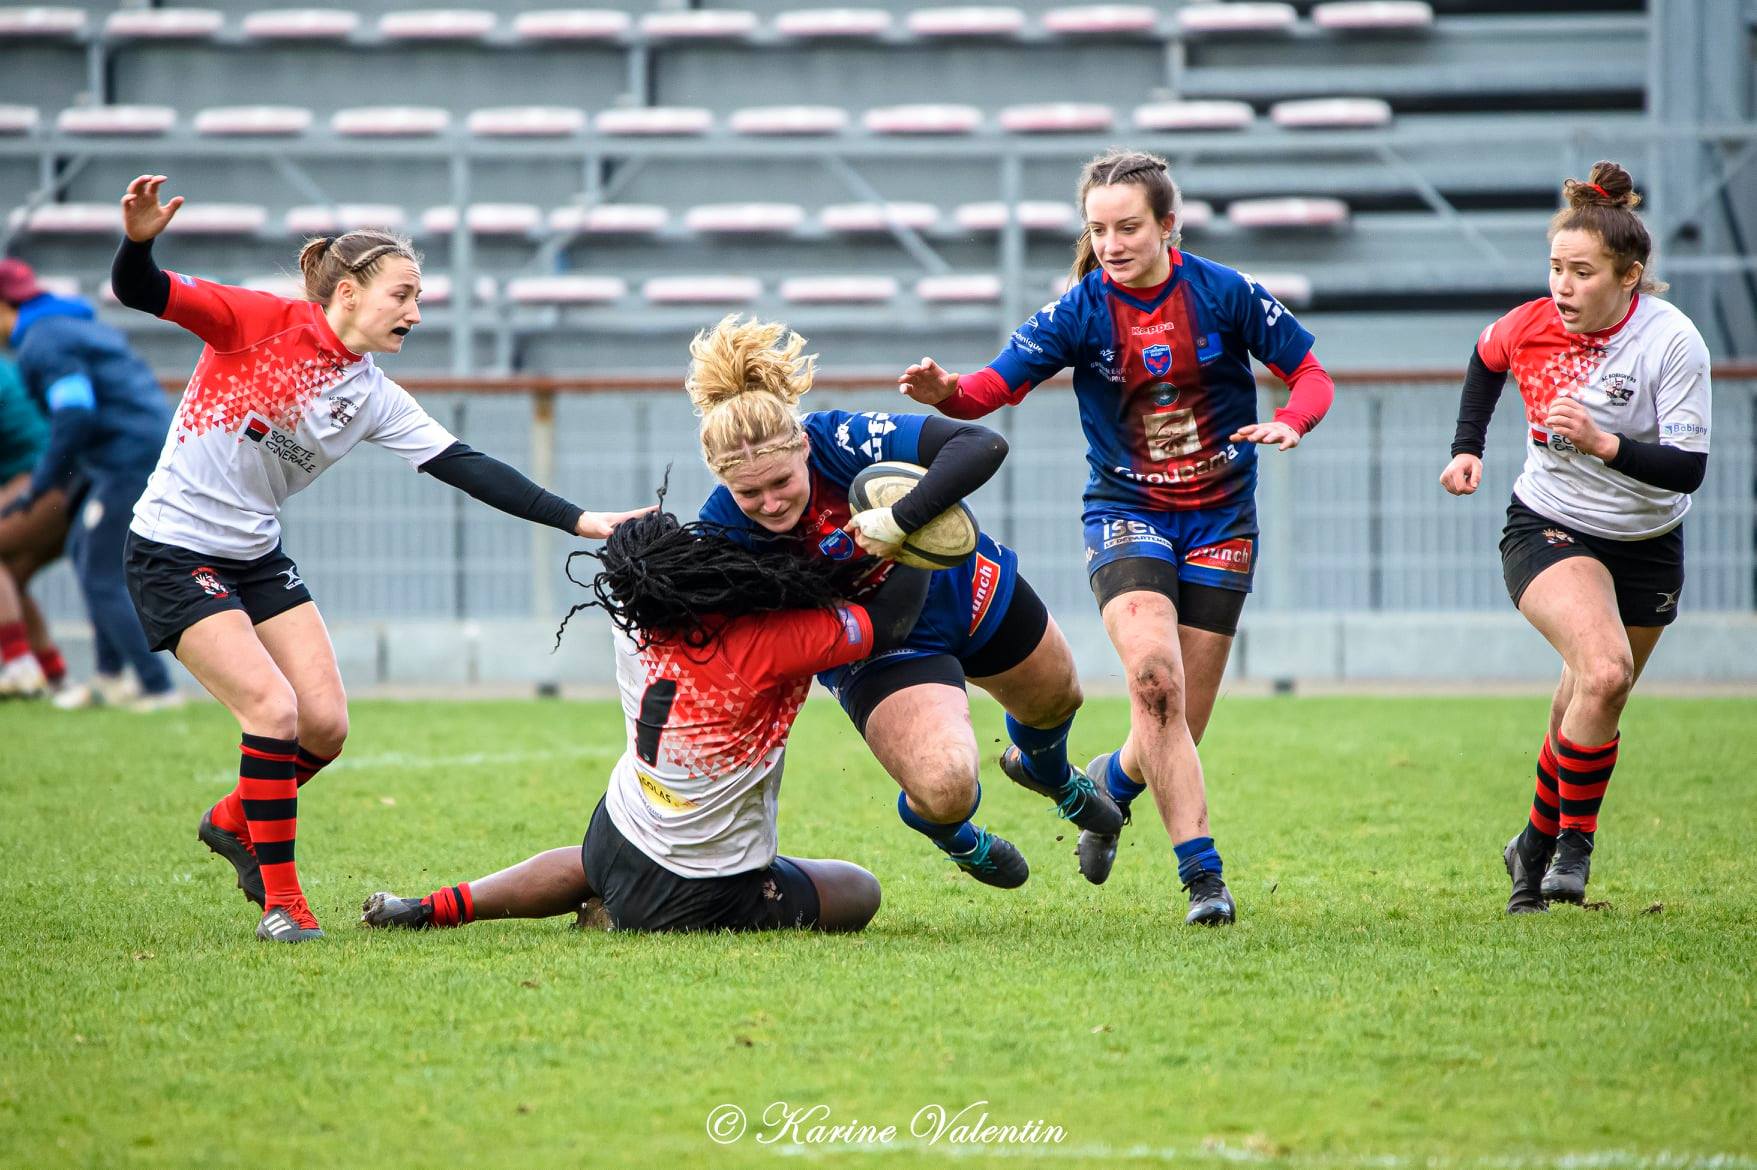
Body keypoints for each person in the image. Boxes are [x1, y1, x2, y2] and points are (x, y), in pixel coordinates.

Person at [109, 175, 651, 943]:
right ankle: (284, 907)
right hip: (171, 549)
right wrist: (138, 239)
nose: (416, 312)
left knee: (324, 728)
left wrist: (581, 520)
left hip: (255, 557)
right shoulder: (255, 321)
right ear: (352, 291)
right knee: (273, 712)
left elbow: (465, 463)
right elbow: (141, 289)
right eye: (403, 293)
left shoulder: (370, 392)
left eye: (419, 297)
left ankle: (236, 819)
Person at [897, 149, 1337, 925]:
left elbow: (1310, 372)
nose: (1111, 242)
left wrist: (1292, 420)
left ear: (1167, 225)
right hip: (1125, 513)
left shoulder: (1222, 292)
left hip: (1221, 519)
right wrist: (946, 395)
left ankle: (1109, 780)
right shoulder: (1079, 309)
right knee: (1155, 687)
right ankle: (1204, 880)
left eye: (1128, 226)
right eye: (1097, 229)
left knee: (1175, 726)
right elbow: (990, 389)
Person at [688, 316, 1122, 891]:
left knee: (1057, 699)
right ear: (723, 482)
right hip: (879, 645)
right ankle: (952, 834)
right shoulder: (722, 533)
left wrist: (900, 520)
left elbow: (980, 443)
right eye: (749, 492)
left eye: (781, 482)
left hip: (961, 587)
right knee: (947, 787)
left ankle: (1054, 777)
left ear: (801, 446)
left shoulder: (838, 440)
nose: (770, 503)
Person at [363, 507, 929, 934]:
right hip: (701, 889)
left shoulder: (630, 624)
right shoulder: (759, 645)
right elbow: (891, 623)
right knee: (861, 891)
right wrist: (916, 520)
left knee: (595, 865)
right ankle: (625, 913)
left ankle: (430, 908)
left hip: (619, 828)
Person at [1439, 161, 1711, 915]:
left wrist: (1602, 443)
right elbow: (1484, 359)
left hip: (1648, 539)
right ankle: (1571, 847)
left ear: (1628, 277)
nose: (1561, 286)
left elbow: (1687, 469)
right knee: (1602, 673)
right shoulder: (1531, 323)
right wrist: (1468, 448)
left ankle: (1529, 841)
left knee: (1590, 697)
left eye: (1580, 272)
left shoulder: (1673, 343)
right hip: (1548, 524)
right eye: (1555, 268)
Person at [0, 257, 178, 709]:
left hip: (127, 458)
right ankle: (110, 677)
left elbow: (75, 410)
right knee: (85, 553)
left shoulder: (43, 341)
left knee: (102, 574)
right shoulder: (69, 325)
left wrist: (43, 484)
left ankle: (157, 687)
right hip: (133, 452)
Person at [0, 353, 76, 698]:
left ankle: (20, 666)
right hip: (58, 483)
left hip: (41, 484)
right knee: (10, 577)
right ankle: (52, 673)